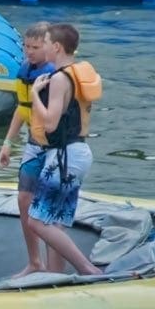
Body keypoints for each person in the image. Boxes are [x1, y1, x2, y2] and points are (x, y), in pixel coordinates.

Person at [26, 23, 100, 276]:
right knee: (55, 222)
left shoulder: (59, 79)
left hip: (64, 156)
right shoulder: (76, 74)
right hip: (78, 152)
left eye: (46, 43)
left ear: (56, 47)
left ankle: (87, 269)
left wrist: (35, 95)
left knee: (36, 221)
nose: (43, 47)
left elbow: (50, 123)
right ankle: (54, 276)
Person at [0, 22, 60, 276]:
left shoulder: (56, 75)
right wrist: (7, 143)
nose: (29, 52)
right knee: (24, 199)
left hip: (55, 148)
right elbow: (22, 109)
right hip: (34, 145)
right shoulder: (24, 71)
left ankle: (55, 267)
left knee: (50, 207)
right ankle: (35, 261)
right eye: (27, 46)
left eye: (35, 47)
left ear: (49, 46)